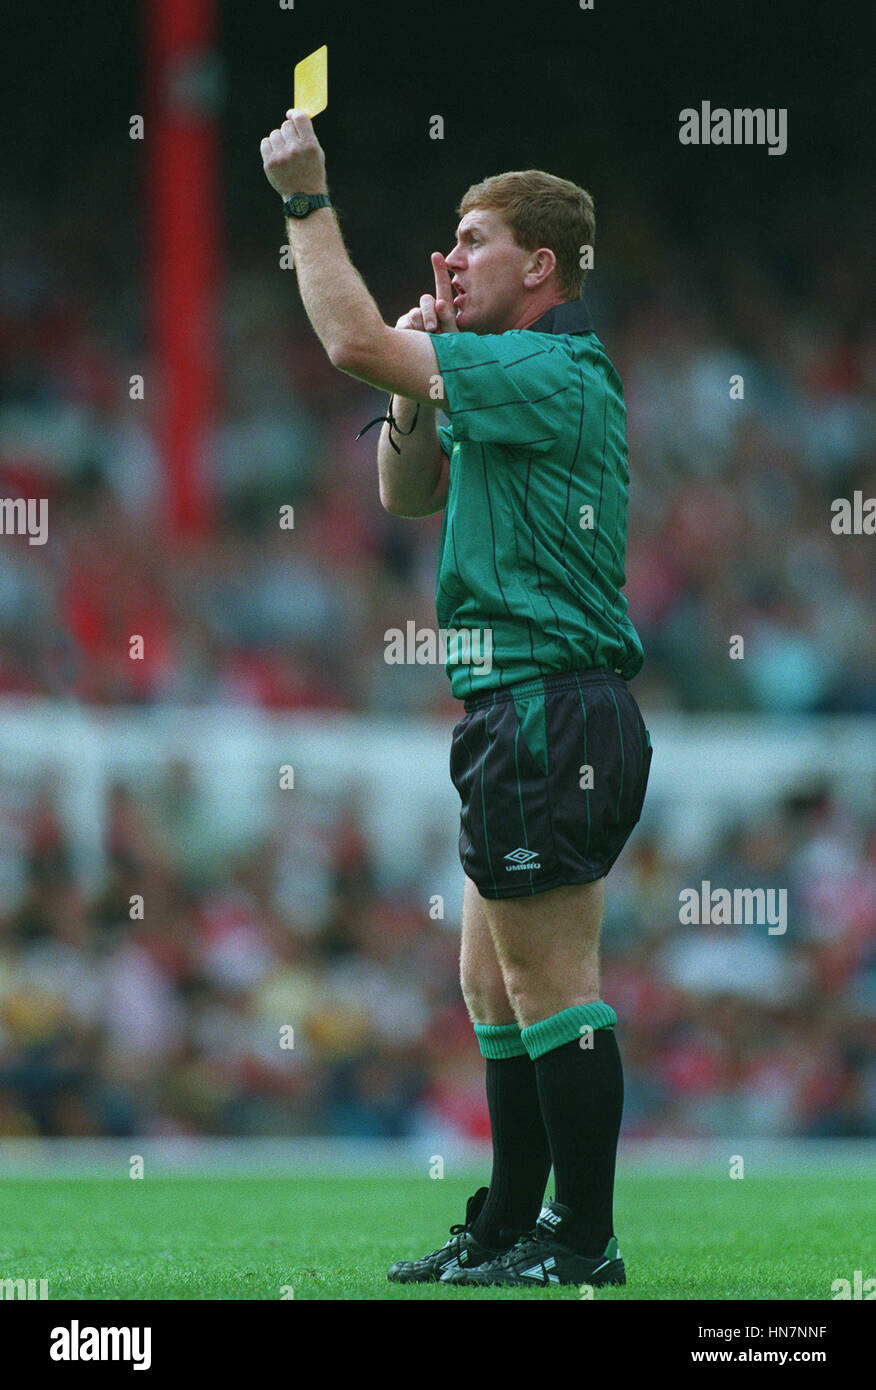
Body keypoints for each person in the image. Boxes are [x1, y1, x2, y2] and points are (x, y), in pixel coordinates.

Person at [261, 110, 652, 1288]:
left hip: (549, 704)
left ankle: (582, 1241)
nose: (452, 258)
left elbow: (350, 343)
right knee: (491, 983)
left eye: (475, 240)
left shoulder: (548, 365)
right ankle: (508, 1226)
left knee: (548, 981)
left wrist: (305, 200)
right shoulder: (504, 374)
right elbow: (406, 490)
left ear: (541, 265)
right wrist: (422, 384)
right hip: (515, 710)